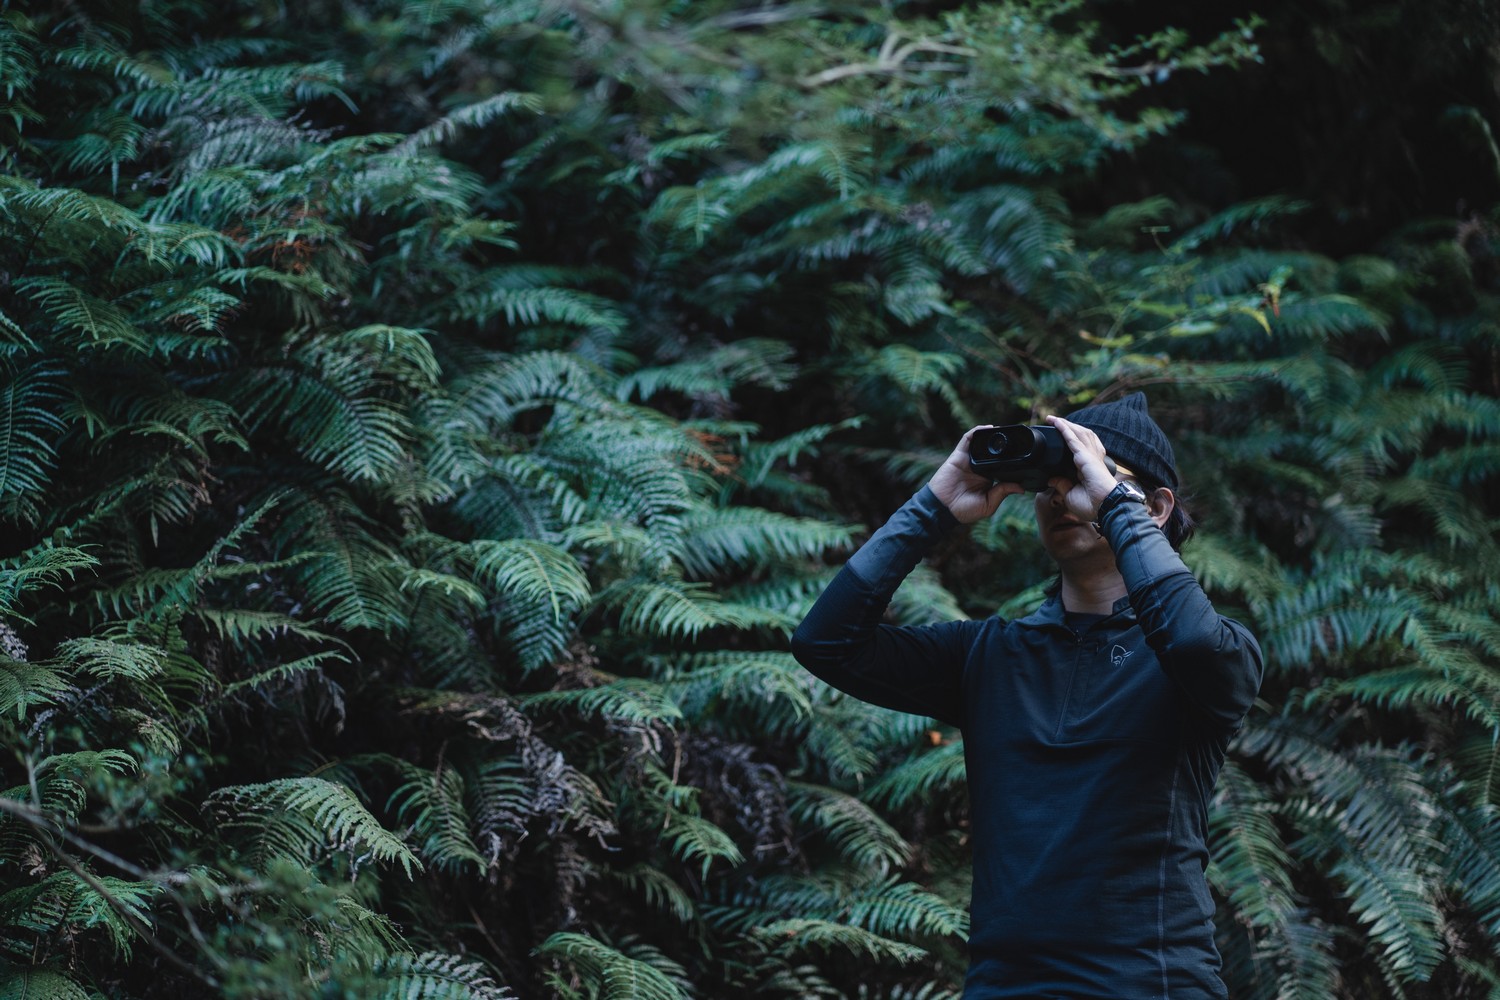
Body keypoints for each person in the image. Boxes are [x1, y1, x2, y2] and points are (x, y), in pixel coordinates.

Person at [790, 392, 1263, 999]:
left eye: (1087, 476)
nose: (1065, 495)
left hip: (1151, 984)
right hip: (1003, 987)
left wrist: (1118, 508)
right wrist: (934, 508)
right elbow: (826, 643)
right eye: (1050, 483)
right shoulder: (990, 655)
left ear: (1158, 505)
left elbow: (1193, 644)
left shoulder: (1209, 655)